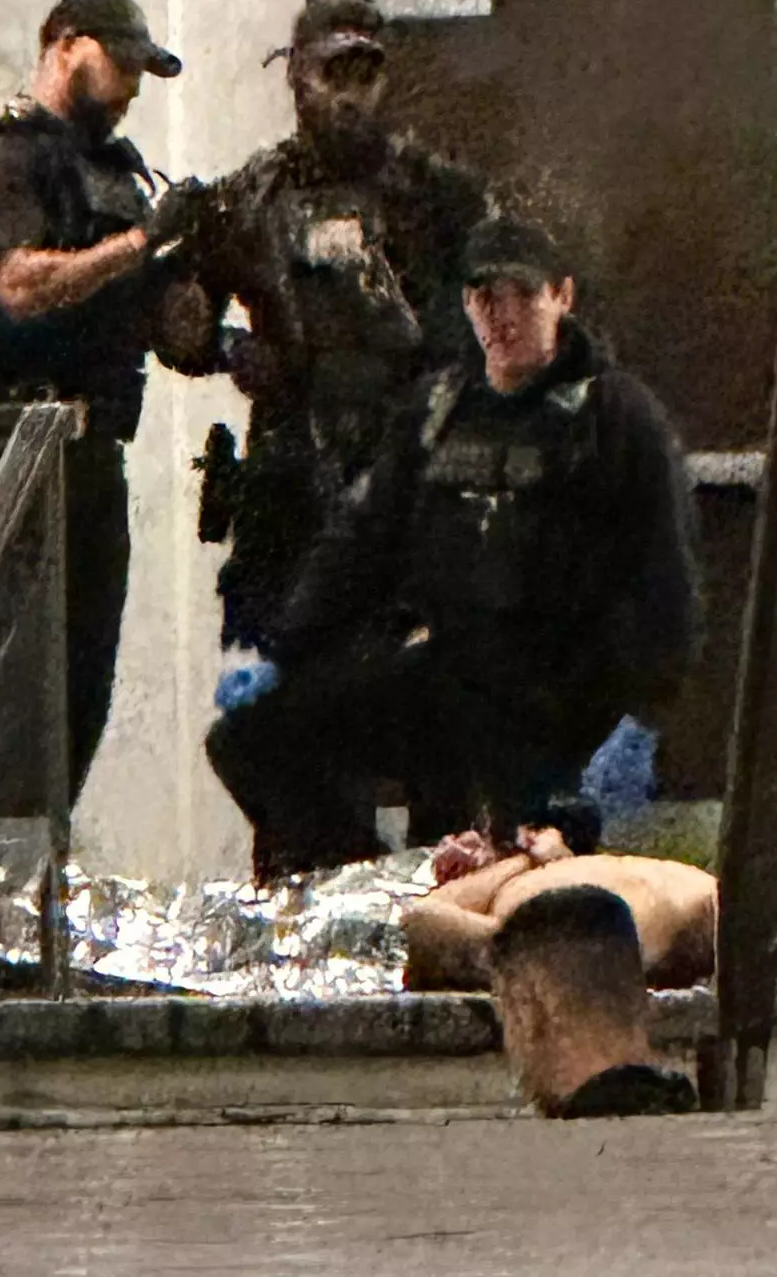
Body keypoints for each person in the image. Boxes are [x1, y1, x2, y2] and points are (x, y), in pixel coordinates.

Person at [206, 214, 701, 881]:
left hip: (563, 700)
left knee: (526, 872)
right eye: (484, 297)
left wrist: (640, 717)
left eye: (522, 295)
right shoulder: (437, 410)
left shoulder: (614, 419)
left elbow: (665, 577)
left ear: (562, 296)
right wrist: (284, 650)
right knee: (254, 738)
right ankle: (363, 887)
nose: (502, 315)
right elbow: (362, 543)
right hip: (452, 676)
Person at [150, 0, 495, 656]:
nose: (349, 96)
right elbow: (178, 325)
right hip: (294, 476)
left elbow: (500, 322)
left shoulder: (440, 194)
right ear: (296, 77)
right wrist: (229, 348)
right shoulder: (251, 197)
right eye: (332, 74)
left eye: (365, 76)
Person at [0, 0, 181, 818]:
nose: (133, 89)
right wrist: (140, 244)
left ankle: (34, 901)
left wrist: (192, 262)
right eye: (123, 65)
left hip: (91, 453)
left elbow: (163, 321)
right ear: (67, 46)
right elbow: (17, 287)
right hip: (11, 454)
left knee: (76, 700)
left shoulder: (119, 171)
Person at [403, 803, 718, 995]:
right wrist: (532, 860)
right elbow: (426, 921)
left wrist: (530, 856)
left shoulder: (664, 896)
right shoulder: (532, 879)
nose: (460, 847)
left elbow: (425, 921)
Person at [489, 886, 699, 1119]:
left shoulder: (554, 1149)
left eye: (505, 1009)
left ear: (525, 1009)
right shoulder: (700, 1113)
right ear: (640, 996)